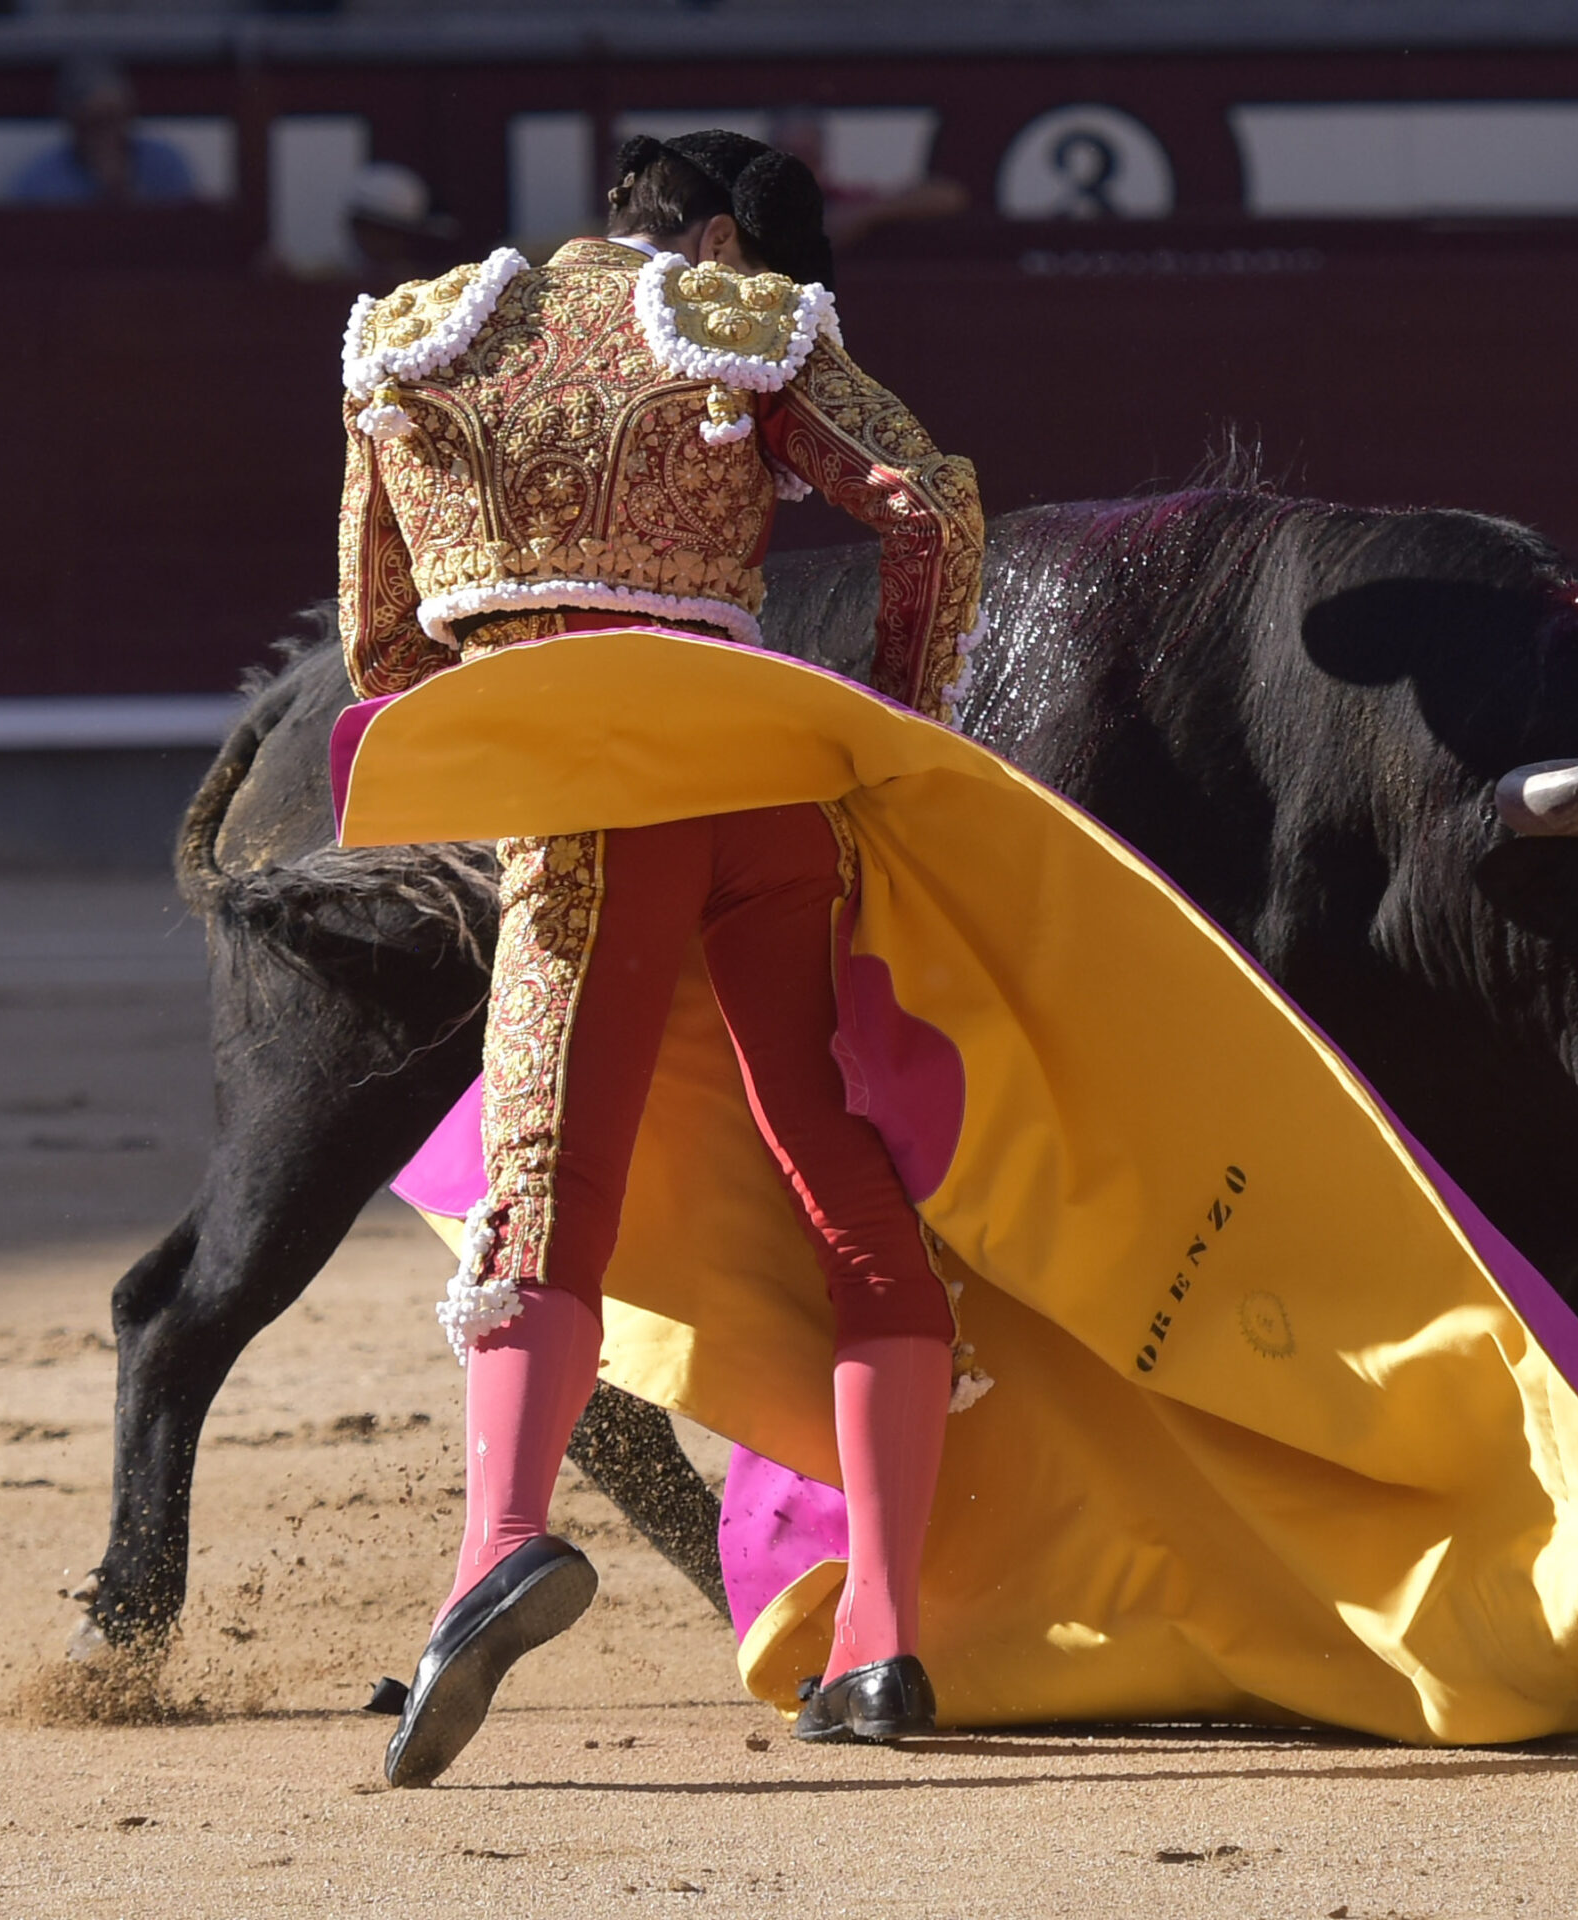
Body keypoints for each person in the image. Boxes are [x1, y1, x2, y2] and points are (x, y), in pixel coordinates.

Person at [339, 130, 984, 1783]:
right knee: (835, 1165)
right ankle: (887, 1636)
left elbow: (382, 649)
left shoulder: (412, 340)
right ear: (697, 236)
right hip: (761, 784)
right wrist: (892, 724)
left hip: (577, 794)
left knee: (550, 1174)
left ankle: (498, 1542)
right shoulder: (748, 319)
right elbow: (930, 507)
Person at [768, 106, 967, 249]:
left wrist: (863, 215)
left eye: (806, 155)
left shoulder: (845, 199)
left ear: (822, 156)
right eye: (786, 153)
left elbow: (950, 196)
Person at [11, 57, 196, 206]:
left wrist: (121, 190)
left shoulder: (166, 165)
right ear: (72, 122)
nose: (106, 134)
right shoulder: (40, 182)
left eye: (113, 117)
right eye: (95, 122)